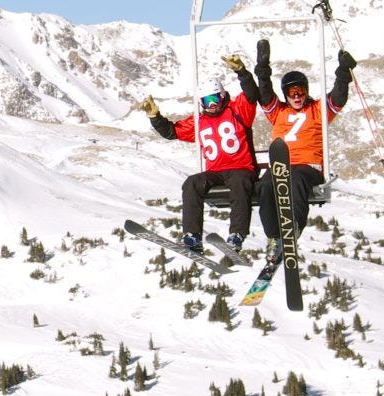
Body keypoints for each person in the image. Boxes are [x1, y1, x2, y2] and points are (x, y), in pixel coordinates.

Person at [143, 54, 263, 257]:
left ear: (223, 96)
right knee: (192, 182)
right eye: (207, 100)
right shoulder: (199, 121)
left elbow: (251, 94)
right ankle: (192, 236)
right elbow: (172, 132)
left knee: (239, 182)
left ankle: (236, 235)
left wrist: (242, 72)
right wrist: (155, 117)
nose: (212, 104)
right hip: (216, 172)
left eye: (215, 98)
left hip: (241, 168)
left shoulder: (237, 111)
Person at [251, 39, 355, 262]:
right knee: (266, 184)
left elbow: (338, 97)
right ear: (286, 95)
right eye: (291, 92)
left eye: (300, 91)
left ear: (306, 91)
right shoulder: (277, 112)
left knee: (295, 178)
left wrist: (343, 72)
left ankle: (293, 228)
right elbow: (265, 93)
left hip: (308, 167)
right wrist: (262, 67)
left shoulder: (317, 109)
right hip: (280, 166)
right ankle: (274, 237)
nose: (296, 96)